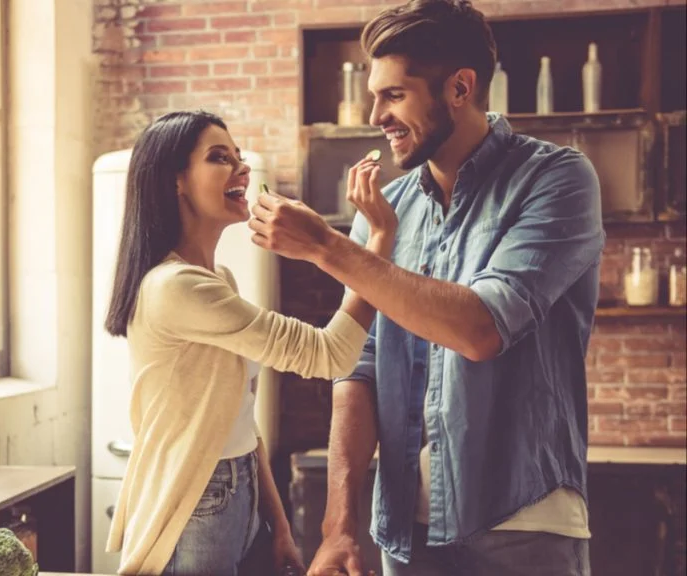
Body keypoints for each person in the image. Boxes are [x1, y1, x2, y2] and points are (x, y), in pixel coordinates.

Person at [248, 1, 604, 575]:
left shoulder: (557, 179)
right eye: (374, 96)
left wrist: (328, 247)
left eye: (393, 96)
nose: (376, 115)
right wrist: (340, 524)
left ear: (460, 87)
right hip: (406, 532)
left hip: (523, 519)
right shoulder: (381, 214)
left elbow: (481, 327)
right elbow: (358, 370)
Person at [102, 110, 398, 576]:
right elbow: (331, 354)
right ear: (175, 181)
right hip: (196, 499)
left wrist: (276, 524)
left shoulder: (217, 279)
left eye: (238, 156)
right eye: (219, 158)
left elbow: (238, 418)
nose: (241, 168)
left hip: (237, 488)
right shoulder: (176, 288)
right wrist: (376, 241)